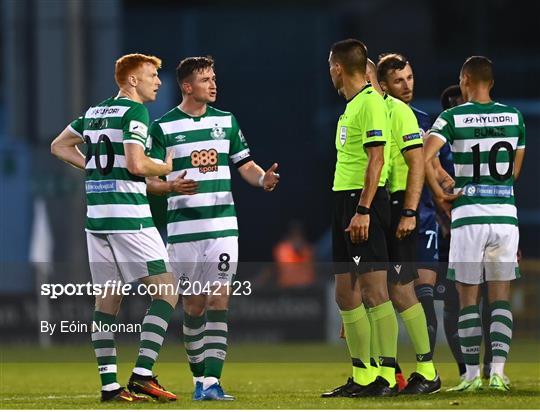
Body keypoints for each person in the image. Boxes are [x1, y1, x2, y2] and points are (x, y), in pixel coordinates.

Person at [146, 56, 279, 401]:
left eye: (213, 78)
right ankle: (198, 380)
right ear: (187, 86)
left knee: (219, 298)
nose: (213, 84)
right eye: (205, 79)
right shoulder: (163, 128)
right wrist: (171, 187)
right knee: (193, 306)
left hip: (222, 226)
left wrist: (263, 178)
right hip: (184, 232)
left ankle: (211, 383)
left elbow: (245, 165)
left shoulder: (226, 121)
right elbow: (151, 181)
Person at [50, 53, 179, 402]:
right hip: (130, 218)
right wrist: (162, 166)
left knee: (107, 301)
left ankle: (109, 387)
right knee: (167, 291)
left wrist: (92, 168)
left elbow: (58, 146)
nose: (158, 81)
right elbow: (137, 164)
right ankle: (141, 374)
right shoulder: (136, 112)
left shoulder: (94, 113)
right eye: (152, 75)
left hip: (98, 219)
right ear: (132, 80)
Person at [424, 56, 526, 392]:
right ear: (491, 82)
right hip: (505, 217)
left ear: (464, 79)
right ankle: (497, 373)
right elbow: (513, 173)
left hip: (469, 218)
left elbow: (426, 154)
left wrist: (441, 191)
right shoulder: (515, 117)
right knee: (500, 299)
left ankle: (470, 376)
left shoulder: (452, 116)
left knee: (467, 300)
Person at [321, 39, 398, 398]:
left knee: (374, 290)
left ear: (338, 67)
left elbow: (377, 159)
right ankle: (362, 376)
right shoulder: (351, 107)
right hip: (344, 202)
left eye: (330, 66)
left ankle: (385, 375)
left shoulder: (370, 104)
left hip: (361, 202)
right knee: (345, 293)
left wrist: (364, 210)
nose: (329, 73)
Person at [369, 58, 440, 394]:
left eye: (410, 78)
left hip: (405, 209)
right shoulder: (372, 112)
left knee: (405, 290)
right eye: (400, 80)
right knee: (376, 292)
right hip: (384, 207)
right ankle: (389, 372)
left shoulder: (413, 118)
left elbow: (424, 166)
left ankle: (426, 369)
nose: (408, 85)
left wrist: (413, 209)